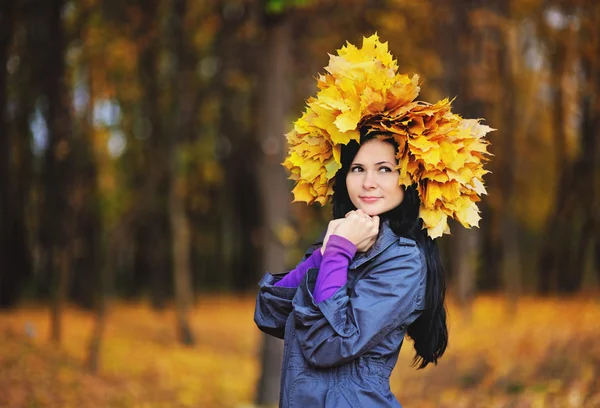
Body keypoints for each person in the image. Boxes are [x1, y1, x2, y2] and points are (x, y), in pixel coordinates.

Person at [254, 34, 491, 408]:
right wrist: (325, 255)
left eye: (384, 169)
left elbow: (329, 344)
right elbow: (271, 313)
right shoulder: (348, 239)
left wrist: (338, 253)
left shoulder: (404, 260)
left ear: (409, 179)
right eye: (357, 168)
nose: (368, 182)